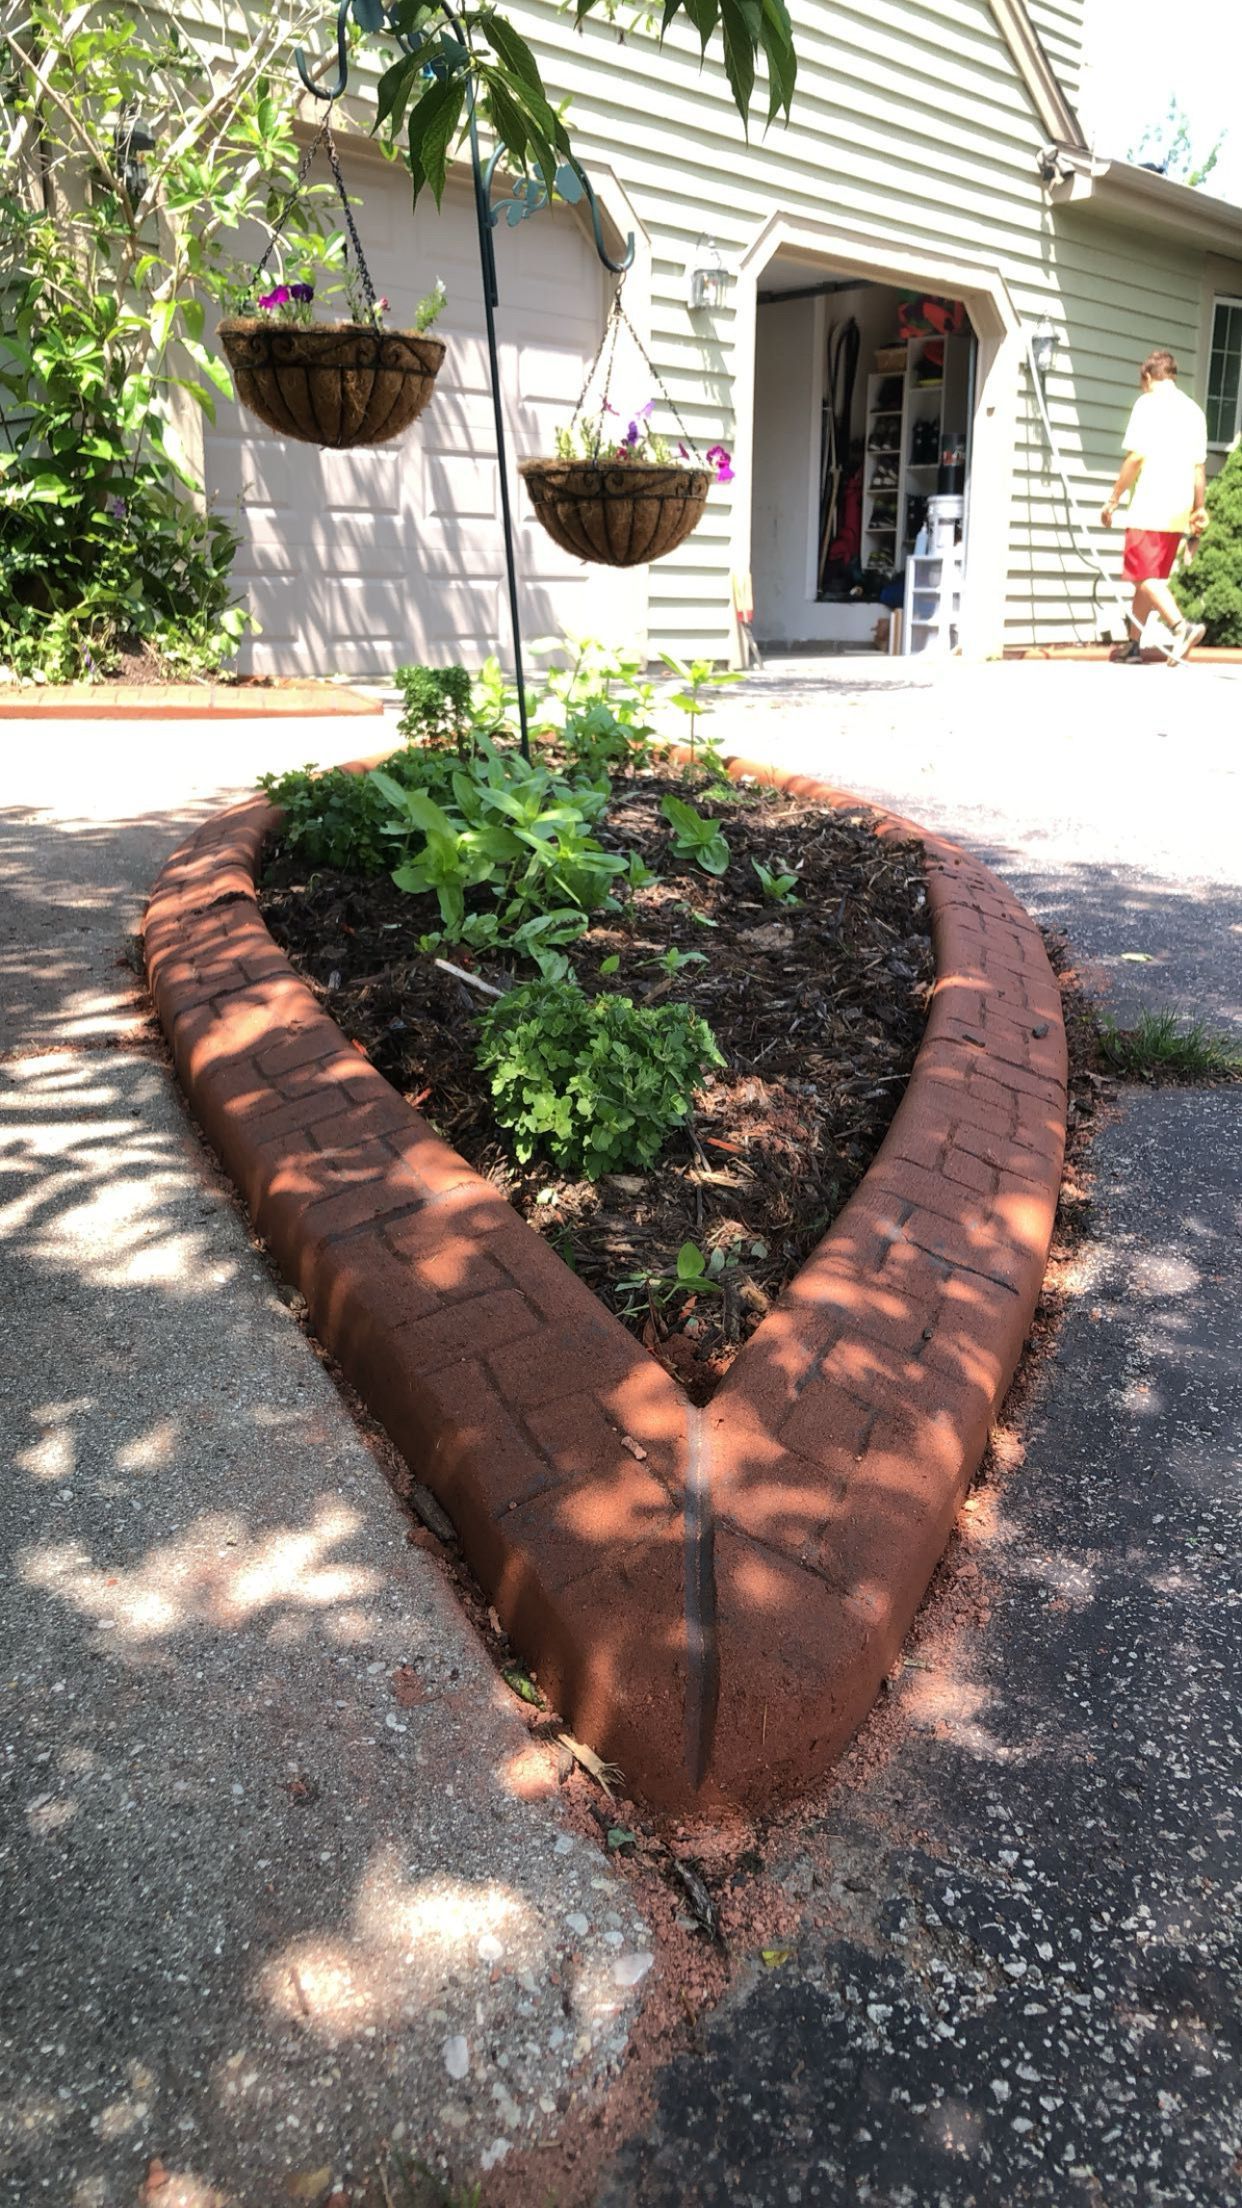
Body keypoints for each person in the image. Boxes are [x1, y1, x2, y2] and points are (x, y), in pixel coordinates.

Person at [1100, 349, 1208, 664]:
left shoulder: (1147, 404)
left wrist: (1114, 498)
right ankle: (1134, 645)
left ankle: (1180, 626)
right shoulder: (1194, 411)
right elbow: (1198, 470)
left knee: (1141, 575)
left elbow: (1135, 457)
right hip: (1179, 509)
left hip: (1150, 504)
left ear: (1147, 377)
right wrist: (1197, 511)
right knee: (1150, 581)